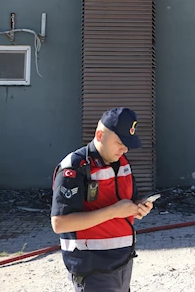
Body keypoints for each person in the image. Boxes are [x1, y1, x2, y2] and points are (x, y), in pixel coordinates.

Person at [51, 107, 154, 291]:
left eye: (128, 143)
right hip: (92, 270)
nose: (125, 148)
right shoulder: (74, 167)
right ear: (99, 135)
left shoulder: (123, 163)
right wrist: (114, 211)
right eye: (119, 142)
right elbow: (60, 223)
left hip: (123, 264)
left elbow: (130, 200)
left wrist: (138, 207)